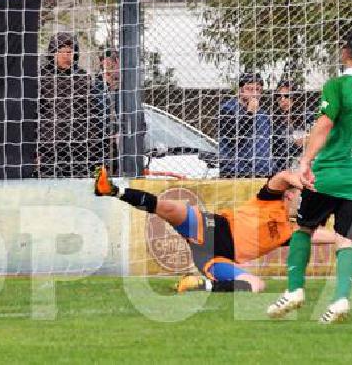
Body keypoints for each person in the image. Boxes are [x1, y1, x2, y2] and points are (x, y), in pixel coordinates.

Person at [266, 29, 352, 324]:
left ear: (344, 53)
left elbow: (325, 123)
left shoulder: (338, 85)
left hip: (329, 174)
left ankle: (295, 291)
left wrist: (305, 160)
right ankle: (341, 299)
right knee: (346, 241)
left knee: (304, 228)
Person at [94, 166, 335, 293]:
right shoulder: (269, 200)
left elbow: (322, 236)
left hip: (216, 258)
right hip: (211, 228)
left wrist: (346, 238)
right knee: (168, 207)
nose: (299, 201)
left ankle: (200, 285)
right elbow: (282, 176)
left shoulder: (290, 232)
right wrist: (305, 184)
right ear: (291, 194)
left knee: (255, 285)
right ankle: (111, 190)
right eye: (297, 196)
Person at [38, 32, 103, 177]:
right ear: (52, 53)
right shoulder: (42, 76)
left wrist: (93, 145)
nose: (66, 56)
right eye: (61, 52)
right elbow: (36, 112)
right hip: (49, 147)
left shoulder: (82, 77)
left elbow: (91, 112)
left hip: (78, 146)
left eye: (69, 52)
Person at [218, 72, 273, 177]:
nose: (254, 94)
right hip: (237, 171)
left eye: (258, 90)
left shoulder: (263, 114)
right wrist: (250, 113)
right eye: (249, 89)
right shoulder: (228, 109)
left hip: (263, 171)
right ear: (240, 90)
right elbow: (234, 140)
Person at [270, 80, 308, 172]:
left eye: (287, 96)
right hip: (286, 168)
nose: (283, 99)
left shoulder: (306, 117)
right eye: (279, 96)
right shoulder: (273, 123)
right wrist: (297, 145)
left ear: (294, 98)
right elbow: (278, 154)